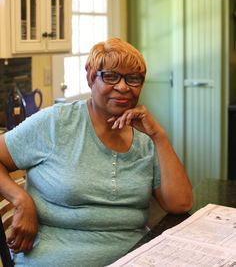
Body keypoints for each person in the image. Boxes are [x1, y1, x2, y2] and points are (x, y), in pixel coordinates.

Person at [0, 38, 193, 267]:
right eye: (111, 76)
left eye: (133, 79)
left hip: (134, 258)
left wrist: (159, 136)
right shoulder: (56, 123)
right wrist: (21, 200)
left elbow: (180, 204)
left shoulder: (146, 139)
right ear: (91, 77)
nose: (123, 87)